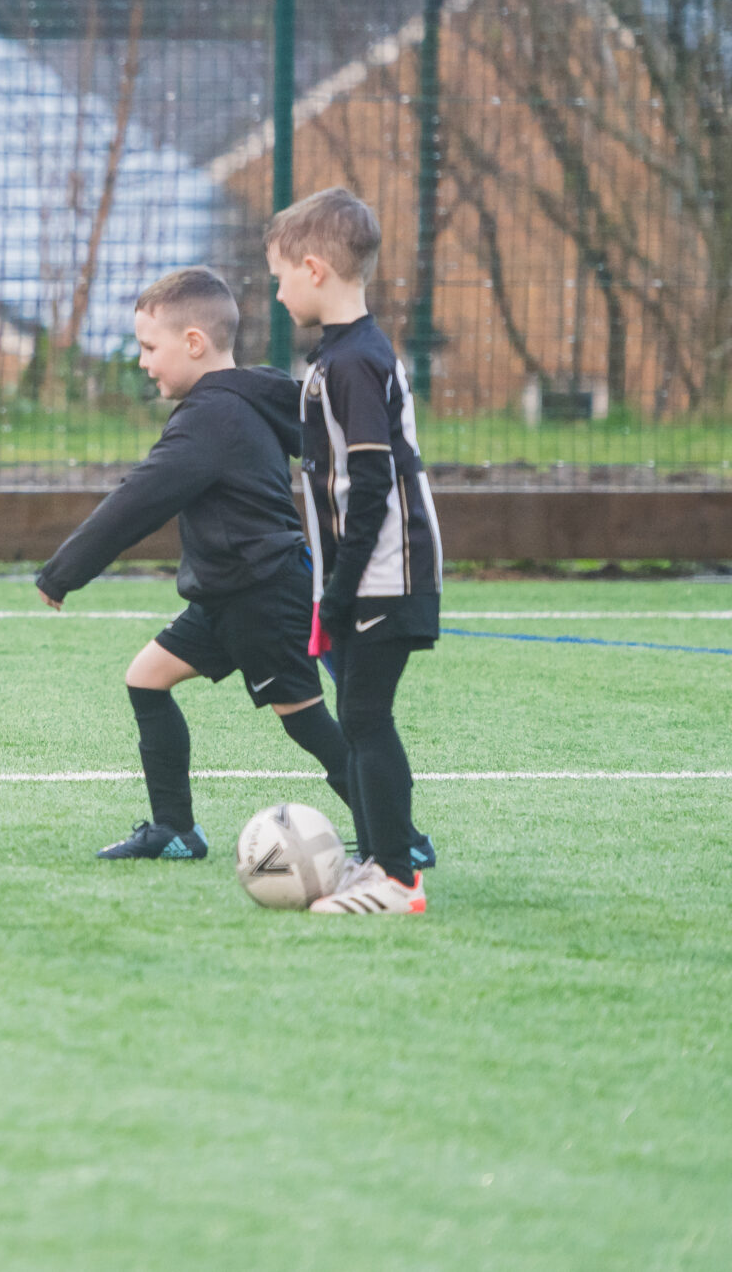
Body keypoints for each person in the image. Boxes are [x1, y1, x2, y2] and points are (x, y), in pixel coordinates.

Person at [33, 267, 364, 861]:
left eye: (148, 347)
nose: (141, 362)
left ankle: (396, 835)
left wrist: (63, 571)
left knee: (304, 719)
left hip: (263, 594)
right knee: (146, 678)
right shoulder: (239, 400)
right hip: (227, 592)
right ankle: (176, 831)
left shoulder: (211, 419)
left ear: (194, 342)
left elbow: (137, 501)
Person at [268, 187, 442, 915]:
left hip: (384, 573)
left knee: (366, 717)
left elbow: (372, 482)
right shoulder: (341, 355)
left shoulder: (352, 364)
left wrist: (337, 587)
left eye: (279, 276)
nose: (277, 292)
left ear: (314, 269)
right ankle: (376, 860)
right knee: (362, 713)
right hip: (364, 573)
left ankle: (397, 878)